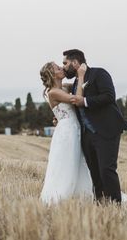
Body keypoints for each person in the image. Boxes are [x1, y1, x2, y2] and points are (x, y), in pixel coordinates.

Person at [62, 49, 127, 204]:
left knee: (107, 170)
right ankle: (100, 204)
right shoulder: (75, 84)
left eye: (65, 63)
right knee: (95, 173)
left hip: (105, 130)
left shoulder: (99, 74)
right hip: (87, 135)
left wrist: (85, 101)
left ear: (75, 62)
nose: (64, 67)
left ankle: (115, 205)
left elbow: (109, 96)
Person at [39, 61, 93, 204]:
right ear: (52, 74)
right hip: (67, 132)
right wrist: (81, 76)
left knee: (78, 162)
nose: (61, 68)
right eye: (57, 68)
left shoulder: (63, 87)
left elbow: (76, 87)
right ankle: (61, 196)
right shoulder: (53, 92)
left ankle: (81, 194)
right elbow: (76, 99)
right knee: (67, 162)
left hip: (74, 129)